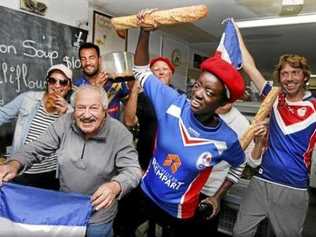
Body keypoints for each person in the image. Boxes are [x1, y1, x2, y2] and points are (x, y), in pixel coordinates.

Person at [130, 10, 247, 236]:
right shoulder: (172, 102)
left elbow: (239, 164)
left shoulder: (226, 139)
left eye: (209, 92)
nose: (198, 93)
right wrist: (144, 33)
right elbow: (141, 71)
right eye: (198, 85)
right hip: (145, 192)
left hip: (178, 212)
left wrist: (217, 196)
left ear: (222, 101)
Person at [0, 85, 142, 237]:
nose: (86, 115)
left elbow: (133, 170)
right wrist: (14, 164)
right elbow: (36, 148)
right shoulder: (64, 123)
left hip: (98, 217)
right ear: (73, 109)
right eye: (81, 108)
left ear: (104, 109)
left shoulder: (119, 133)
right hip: (68, 210)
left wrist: (116, 186)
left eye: (93, 108)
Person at [233, 23, 316, 237]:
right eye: (285, 74)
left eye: (295, 73)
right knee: (240, 232)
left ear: (305, 76)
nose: (289, 78)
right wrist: (235, 31)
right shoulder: (274, 98)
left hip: (293, 188)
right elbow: (249, 66)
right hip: (261, 180)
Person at [0, 64, 73, 190]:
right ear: (47, 83)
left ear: (68, 87)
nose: (57, 85)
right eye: (52, 80)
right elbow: (2, 114)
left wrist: (64, 116)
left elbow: (71, 146)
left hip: (51, 174)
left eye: (63, 82)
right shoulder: (28, 98)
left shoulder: (71, 112)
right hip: (21, 169)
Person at [73, 42, 129, 120]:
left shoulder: (114, 80)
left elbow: (129, 103)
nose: (87, 62)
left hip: (113, 130)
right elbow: (78, 114)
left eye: (91, 58)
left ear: (99, 60)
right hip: (88, 130)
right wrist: (95, 88)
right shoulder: (76, 85)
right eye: (83, 59)